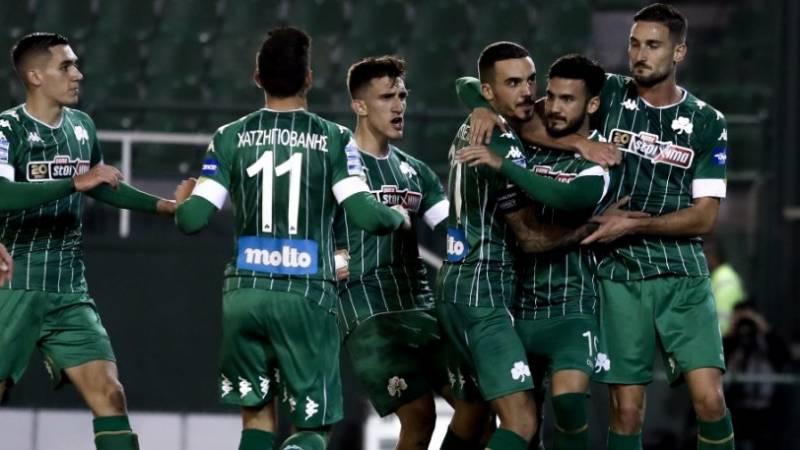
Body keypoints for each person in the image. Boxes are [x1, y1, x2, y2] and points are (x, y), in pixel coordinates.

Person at [173, 27, 409, 450]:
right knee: (313, 429)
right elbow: (365, 215)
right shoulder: (334, 138)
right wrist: (398, 216)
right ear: (309, 79)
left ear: (257, 78)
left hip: (245, 294)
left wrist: (183, 201)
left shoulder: (229, 136)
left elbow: (192, 220)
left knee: (257, 418)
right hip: (306, 294)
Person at [0, 32, 178, 450]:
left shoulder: (82, 127)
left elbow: (100, 182)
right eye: (66, 66)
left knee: (110, 395)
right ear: (35, 76)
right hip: (13, 283)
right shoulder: (7, 129)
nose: (78, 74)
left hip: (69, 289)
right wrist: (73, 182)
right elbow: (2, 194)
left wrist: (163, 206)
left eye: (76, 64)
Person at [456, 54, 624, 450]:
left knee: (568, 403)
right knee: (517, 423)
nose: (554, 107)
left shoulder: (599, 158)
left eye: (568, 99)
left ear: (592, 105)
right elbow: (466, 83)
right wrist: (482, 107)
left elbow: (571, 197)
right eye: (551, 96)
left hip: (572, 306)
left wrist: (503, 164)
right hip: (518, 304)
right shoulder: (524, 139)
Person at [333, 55, 451, 450]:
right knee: (419, 417)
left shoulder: (416, 171)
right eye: (387, 97)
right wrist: (331, 261)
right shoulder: (336, 166)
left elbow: (454, 230)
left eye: (402, 96)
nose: (399, 106)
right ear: (359, 105)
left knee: (478, 410)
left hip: (419, 303)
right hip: (368, 308)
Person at [435, 41, 539, 450]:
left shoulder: (474, 122)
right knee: (521, 421)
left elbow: (464, 82)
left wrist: (478, 104)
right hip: (484, 291)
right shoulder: (500, 141)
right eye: (513, 83)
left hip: (456, 285)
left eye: (530, 80)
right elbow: (529, 236)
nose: (527, 91)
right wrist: (592, 226)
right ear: (490, 90)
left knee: (472, 414)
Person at [705, 239, 746, 334]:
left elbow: (723, 321)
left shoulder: (723, 278)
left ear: (712, 256)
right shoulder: (721, 275)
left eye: (704, 255)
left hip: (725, 338)